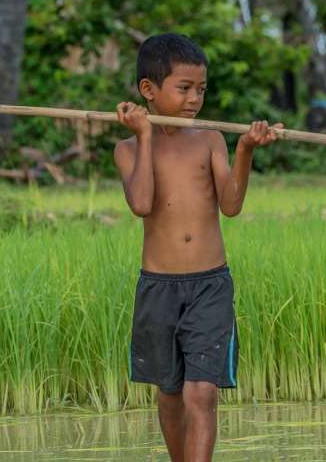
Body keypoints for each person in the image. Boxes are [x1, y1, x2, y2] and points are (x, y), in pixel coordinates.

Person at [114, 33, 281, 462]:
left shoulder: (210, 140)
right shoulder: (128, 148)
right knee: (169, 395)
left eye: (201, 90)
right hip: (158, 288)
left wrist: (245, 149)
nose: (194, 99)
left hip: (209, 285)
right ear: (149, 91)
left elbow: (231, 206)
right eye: (184, 88)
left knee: (201, 393)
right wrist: (146, 135)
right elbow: (141, 203)